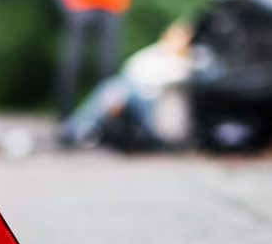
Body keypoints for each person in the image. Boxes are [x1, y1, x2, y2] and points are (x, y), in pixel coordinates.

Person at [59, 22, 192, 150]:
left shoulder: (186, 62)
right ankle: (85, 128)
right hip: (133, 96)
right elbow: (131, 68)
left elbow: (161, 79)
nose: (177, 42)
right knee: (114, 87)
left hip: (150, 107)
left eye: (181, 38)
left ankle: (79, 128)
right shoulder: (155, 53)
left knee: (114, 88)